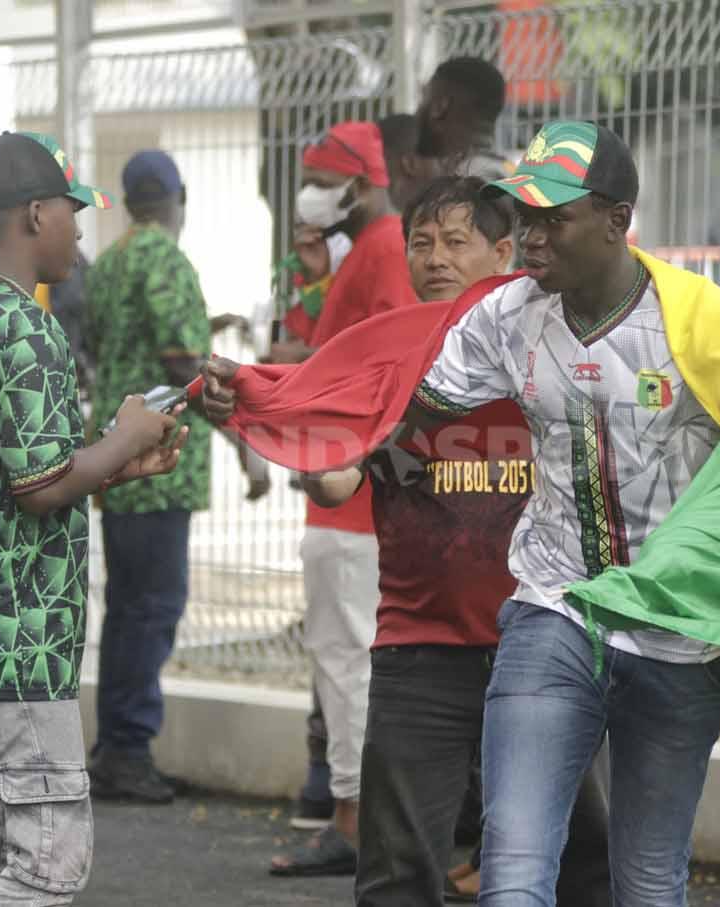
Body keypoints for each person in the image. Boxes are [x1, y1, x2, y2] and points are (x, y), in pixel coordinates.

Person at [399, 122, 720, 904]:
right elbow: (406, 394)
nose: (531, 236)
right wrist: (292, 402)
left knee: (648, 878)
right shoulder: (506, 314)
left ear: (618, 222)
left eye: (555, 217)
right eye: (525, 216)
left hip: (677, 634)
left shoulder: (700, 330)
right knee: (512, 867)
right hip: (553, 608)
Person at [298, 175, 611, 906]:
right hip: (420, 644)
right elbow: (339, 483)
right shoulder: (385, 362)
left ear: (504, 252)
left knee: (582, 858)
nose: (435, 257)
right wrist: (310, 452)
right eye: (421, 242)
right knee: (397, 871)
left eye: (455, 241)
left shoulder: (553, 353)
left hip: (542, 641)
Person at [0, 130, 187, 905]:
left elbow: (7, 472)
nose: (81, 228)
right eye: (71, 210)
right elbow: (40, 484)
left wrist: (118, 463)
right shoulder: (27, 326)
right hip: (7, 635)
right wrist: (123, 433)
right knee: (48, 860)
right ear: (32, 214)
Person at [266, 121, 418, 877]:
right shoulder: (368, 251)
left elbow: (383, 367)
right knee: (345, 659)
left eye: (321, 178)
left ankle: (355, 822)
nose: (311, 192)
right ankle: (358, 818)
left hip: (349, 502)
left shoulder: (385, 249)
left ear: (357, 184)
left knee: (345, 660)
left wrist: (300, 378)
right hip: (342, 497)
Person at [82, 149, 215, 803]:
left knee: (128, 608)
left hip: (116, 457)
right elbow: (176, 354)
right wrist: (219, 367)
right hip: (158, 462)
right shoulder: (163, 257)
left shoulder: (109, 260)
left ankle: (117, 746)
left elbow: (124, 344)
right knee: (152, 608)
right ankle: (128, 748)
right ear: (178, 196)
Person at [415, 57, 512, 179]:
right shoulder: (508, 171)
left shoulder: (466, 183)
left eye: (423, 101)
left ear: (439, 108)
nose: (417, 111)